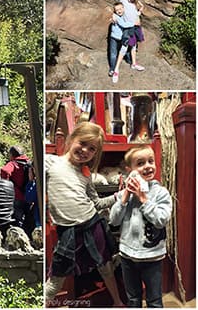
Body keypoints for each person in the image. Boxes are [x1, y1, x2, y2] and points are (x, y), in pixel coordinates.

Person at [44, 122, 123, 307]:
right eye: (82, 143)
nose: (85, 150)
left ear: (95, 153)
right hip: (67, 230)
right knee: (57, 276)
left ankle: (118, 302)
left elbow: (97, 204)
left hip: (92, 224)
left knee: (105, 266)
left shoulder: (86, 174)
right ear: (72, 139)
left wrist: (120, 195)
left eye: (92, 148)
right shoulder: (50, 161)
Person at [109, 146, 171, 308]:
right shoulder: (125, 193)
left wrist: (143, 199)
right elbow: (114, 221)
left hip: (152, 257)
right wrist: (124, 197)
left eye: (151, 161)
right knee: (133, 298)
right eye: (140, 163)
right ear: (130, 170)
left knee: (154, 300)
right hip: (127, 255)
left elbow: (161, 219)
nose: (148, 166)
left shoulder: (161, 193)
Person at [0, 145, 35, 235]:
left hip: (17, 197)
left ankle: (20, 237)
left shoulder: (13, 163)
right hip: (30, 196)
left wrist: (6, 185)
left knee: (18, 220)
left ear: (11, 155)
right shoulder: (30, 163)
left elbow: (5, 171)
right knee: (29, 219)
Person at [109, 1, 143, 84]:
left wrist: (140, 10)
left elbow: (134, 14)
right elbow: (124, 24)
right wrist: (134, 23)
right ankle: (114, 69)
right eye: (117, 10)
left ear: (124, 8)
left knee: (131, 47)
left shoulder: (125, 14)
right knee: (114, 53)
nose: (119, 11)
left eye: (121, 9)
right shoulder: (116, 17)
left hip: (122, 36)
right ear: (115, 11)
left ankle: (132, 63)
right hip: (114, 37)